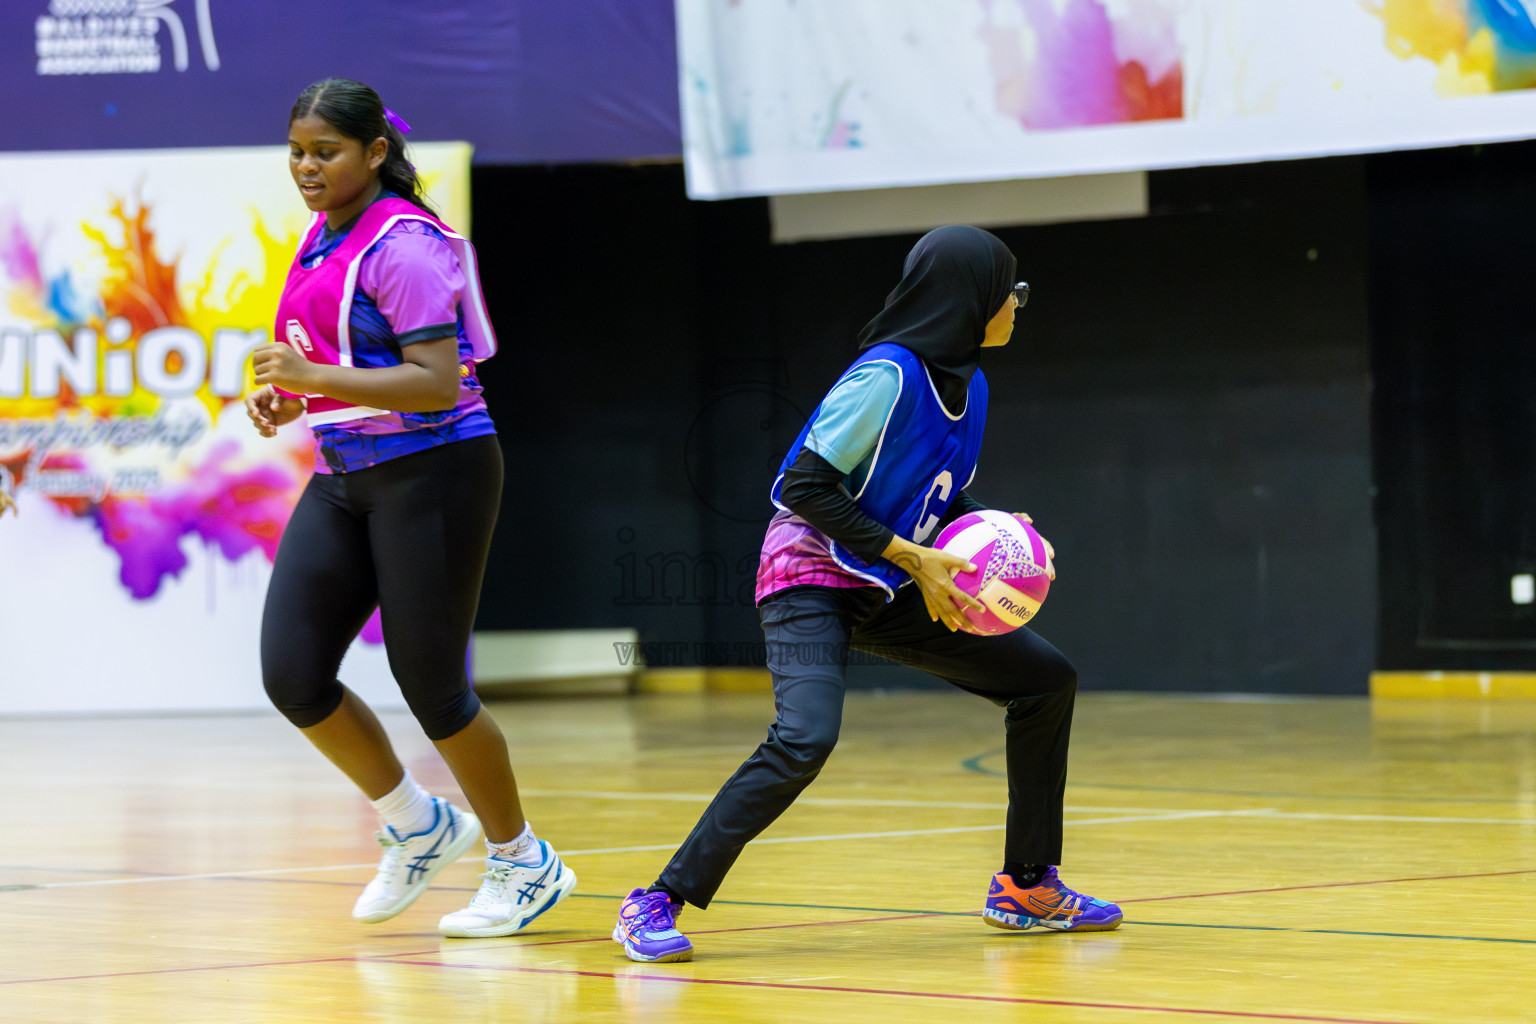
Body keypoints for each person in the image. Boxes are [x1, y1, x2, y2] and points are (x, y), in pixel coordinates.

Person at [611, 226, 1121, 963]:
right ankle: (656, 900)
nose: (1018, 303)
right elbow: (802, 486)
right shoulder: (886, 375)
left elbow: (935, 494)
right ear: (970, 297)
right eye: (1012, 289)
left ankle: (1026, 886)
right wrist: (914, 557)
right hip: (809, 576)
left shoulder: (970, 384)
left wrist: (993, 532)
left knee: (1045, 682)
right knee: (805, 736)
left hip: (886, 577)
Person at [246, 77, 574, 938]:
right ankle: (417, 822)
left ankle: (524, 862)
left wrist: (313, 378)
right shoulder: (323, 236)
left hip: (437, 467)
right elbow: (338, 363)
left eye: (326, 153)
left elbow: (435, 384)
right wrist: (294, 400)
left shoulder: (405, 243)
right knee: (292, 673)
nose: (306, 169)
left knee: (431, 684)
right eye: (297, 153)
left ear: (375, 153)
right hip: (349, 468)